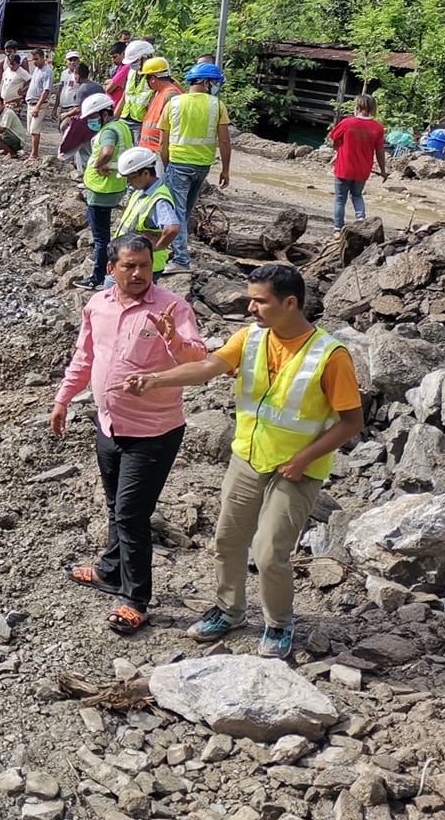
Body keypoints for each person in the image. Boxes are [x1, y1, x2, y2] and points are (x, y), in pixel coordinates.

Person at [120, 264, 365, 658]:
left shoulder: (330, 355)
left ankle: (279, 624)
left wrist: (303, 458)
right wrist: (154, 381)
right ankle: (229, 610)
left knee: (269, 552)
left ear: (290, 303)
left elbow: (353, 421)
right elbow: (206, 368)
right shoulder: (251, 338)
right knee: (228, 541)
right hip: (249, 458)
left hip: (297, 470)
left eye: (259, 300)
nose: (250, 307)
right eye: (249, 298)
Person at [52, 234, 207, 634]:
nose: (139, 273)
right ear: (111, 268)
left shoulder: (172, 307)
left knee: (131, 515)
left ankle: (136, 598)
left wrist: (173, 340)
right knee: (113, 505)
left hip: (154, 431)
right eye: (129, 266)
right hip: (109, 424)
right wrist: (63, 398)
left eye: (145, 265)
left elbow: (199, 362)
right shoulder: (97, 306)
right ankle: (110, 570)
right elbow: (85, 356)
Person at [157, 62, 232, 272]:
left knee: (177, 212)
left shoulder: (173, 104)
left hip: (179, 164)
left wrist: (165, 165)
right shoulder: (217, 106)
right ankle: (179, 250)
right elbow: (225, 142)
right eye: (215, 82)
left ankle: (180, 259)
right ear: (206, 82)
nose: (215, 86)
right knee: (186, 211)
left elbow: (163, 143)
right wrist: (225, 169)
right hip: (202, 166)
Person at [75, 93, 133, 291]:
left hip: (102, 189)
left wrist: (99, 165)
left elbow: (107, 152)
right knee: (102, 231)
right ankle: (103, 259)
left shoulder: (109, 131)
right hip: (114, 186)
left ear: (104, 113)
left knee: (101, 236)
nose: (91, 121)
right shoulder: (122, 126)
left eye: (93, 117)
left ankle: (97, 278)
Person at [110, 147, 180, 279]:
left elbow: (172, 228)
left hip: (141, 268)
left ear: (146, 173)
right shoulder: (141, 192)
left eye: (131, 177)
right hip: (129, 262)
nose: (129, 182)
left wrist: (155, 247)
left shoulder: (159, 199)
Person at [327, 94, 388, 232]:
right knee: (357, 195)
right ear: (373, 108)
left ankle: (338, 229)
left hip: (344, 168)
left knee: (340, 199)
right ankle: (361, 220)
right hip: (363, 170)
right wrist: (383, 171)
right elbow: (380, 151)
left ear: (357, 107)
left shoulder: (347, 123)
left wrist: (339, 149)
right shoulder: (377, 128)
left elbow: (334, 140)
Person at [136, 57, 181, 161]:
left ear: (153, 78)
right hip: (151, 150)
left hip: (159, 152)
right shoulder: (158, 93)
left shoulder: (171, 95)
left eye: (146, 77)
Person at [111, 40, 155, 140]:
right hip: (125, 118)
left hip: (141, 122)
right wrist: (113, 120)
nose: (133, 64)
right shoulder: (131, 72)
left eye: (135, 61)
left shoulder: (155, 76)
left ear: (145, 57)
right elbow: (124, 98)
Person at [24, 49, 56, 159]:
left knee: (35, 129)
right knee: (30, 130)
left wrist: (37, 106)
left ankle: (34, 154)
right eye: (33, 59)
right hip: (31, 102)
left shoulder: (47, 72)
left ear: (43, 58)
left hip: (39, 104)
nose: (34, 62)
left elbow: (46, 91)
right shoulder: (37, 70)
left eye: (36, 59)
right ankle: (32, 152)